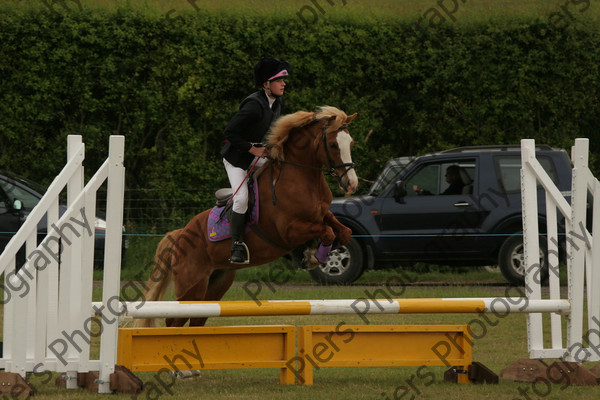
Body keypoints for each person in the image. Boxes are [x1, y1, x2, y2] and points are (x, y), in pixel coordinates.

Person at [220, 58, 290, 263]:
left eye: (284, 80)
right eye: (279, 80)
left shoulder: (278, 102)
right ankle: (236, 245)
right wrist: (253, 149)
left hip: (256, 155)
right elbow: (229, 133)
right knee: (241, 198)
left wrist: (268, 148)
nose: (284, 83)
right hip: (237, 159)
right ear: (266, 84)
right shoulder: (253, 106)